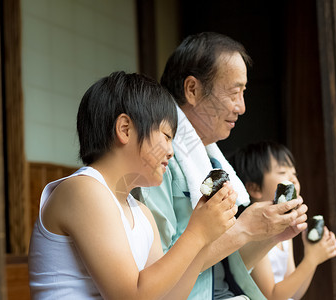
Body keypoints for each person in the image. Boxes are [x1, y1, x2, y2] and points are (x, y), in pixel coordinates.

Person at [28, 71, 239, 299]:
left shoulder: (142, 214)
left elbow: (167, 297)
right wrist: (196, 233)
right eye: (167, 136)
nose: (170, 151)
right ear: (125, 129)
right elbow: (130, 296)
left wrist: (205, 238)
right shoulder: (84, 190)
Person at [132, 32, 308, 299]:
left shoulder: (211, 159)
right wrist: (244, 229)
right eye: (234, 92)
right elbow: (160, 270)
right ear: (192, 90)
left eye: (244, 93)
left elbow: (228, 267)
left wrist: (269, 235)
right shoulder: (159, 158)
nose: (242, 107)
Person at [228, 141, 336, 300]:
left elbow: (295, 293)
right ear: (254, 189)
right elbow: (271, 296)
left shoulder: (285, 230)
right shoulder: (253, 230)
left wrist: (312, 255)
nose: (293, 179)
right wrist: (312, 258)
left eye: (294, 174)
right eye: (282, 172)